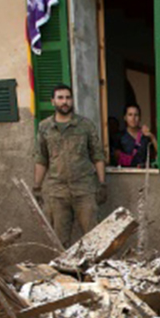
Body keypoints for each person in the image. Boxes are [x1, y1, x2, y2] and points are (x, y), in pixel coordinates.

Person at [33, 84, 107, 245]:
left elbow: (98, 155)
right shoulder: (45, 127)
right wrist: (37, 187)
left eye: (68, 97)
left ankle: (93, 269)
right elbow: (41, 158)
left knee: (93, 237)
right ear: (53, 101)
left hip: (84, 189)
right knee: (60, 241)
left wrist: (102, 184)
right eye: (60, 98)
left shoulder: (85, 125)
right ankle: (64, 270)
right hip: (57, 191)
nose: (65, 101)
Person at [113, 104, 156, 168]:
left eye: (136, 115)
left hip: (145, 174)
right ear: (125, 117)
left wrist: (152, 137)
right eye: (130, 115)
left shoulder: (145, 136)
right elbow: (115, 159)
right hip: (126, 174)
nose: (133, 118)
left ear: (140, 117)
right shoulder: (119, 137)